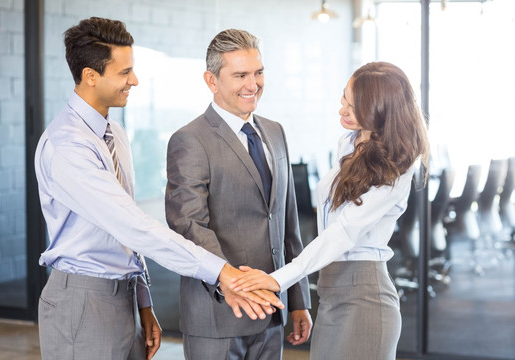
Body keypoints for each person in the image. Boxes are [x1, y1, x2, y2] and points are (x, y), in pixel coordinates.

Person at [35, 18, 282, 360]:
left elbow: (124, 233)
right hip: (83, 301)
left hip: (123, 299)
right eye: (125, 72)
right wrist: (223, 272)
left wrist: (143, 300)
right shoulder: (67, 146)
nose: (134, 80)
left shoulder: (114, 134)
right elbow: (133, 226)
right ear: (91, 76)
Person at [232, 61, 430, 360]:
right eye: (343, 99)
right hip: (331, 291)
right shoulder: (349, 144)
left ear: (380, 110)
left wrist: (278, 279)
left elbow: (342, 232)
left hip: (363, 296)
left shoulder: (396, 168)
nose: (342, 110)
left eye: (353, 106)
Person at [165, 29, 312, 360]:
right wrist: (231, 284)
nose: (253, 84)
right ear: (212, 80)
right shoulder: (190, 139)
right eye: (240, 75)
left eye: (258, 72)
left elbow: (287, 223)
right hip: (217, 316)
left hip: (272, 312)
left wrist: (299, 300)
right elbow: (188, 224)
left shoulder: (275, 132)